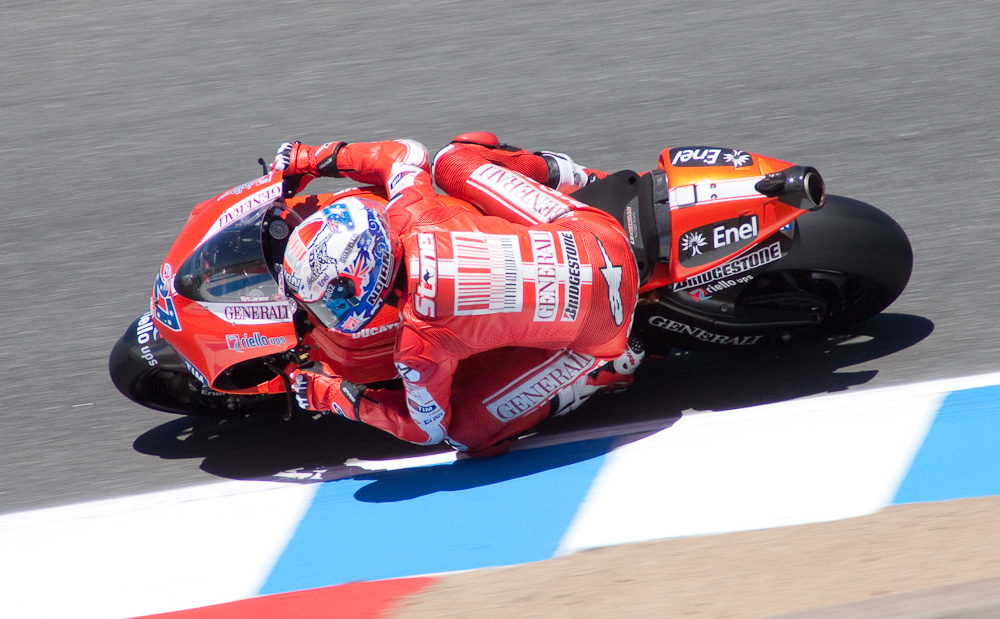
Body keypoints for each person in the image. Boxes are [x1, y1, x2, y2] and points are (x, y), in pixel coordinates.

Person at [274, 133, 643, 456]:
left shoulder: (418, 346)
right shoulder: (413, 211)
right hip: (597, 231)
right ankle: (581, 179)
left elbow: (427, 430)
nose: (326, 309)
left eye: (329, 300)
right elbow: (405, 152)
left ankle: (606, 368)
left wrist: (334, 397)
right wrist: (313, 158)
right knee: (452, 158)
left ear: (363, 278)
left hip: (603, 330)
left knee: (466, 436)